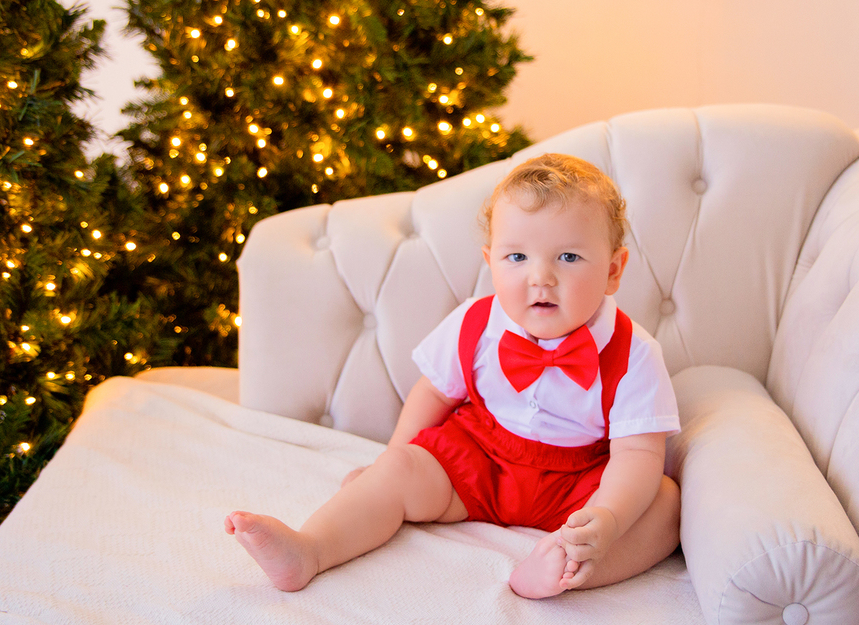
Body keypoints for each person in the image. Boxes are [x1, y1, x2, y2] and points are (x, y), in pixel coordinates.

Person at [226, 153, 681, 599]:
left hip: (578, 482)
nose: (540, 277)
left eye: (567, 257)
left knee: (663, 505)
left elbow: (638, 452)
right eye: (517, 256)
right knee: (404, 466)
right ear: (490, 260)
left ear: (613, 270)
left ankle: (558, 569)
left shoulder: (635, 353)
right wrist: (390, 460)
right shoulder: (475, 323)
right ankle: (309, 549)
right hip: (478, 460)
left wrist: (608, 517)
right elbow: (433, 394)